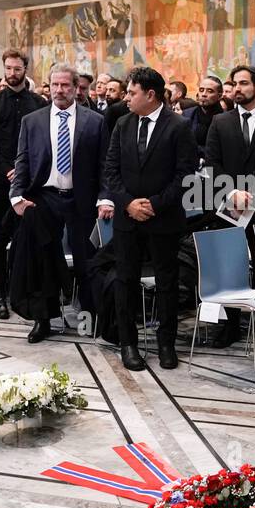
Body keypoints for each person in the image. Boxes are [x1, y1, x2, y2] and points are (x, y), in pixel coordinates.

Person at [103, 66, 197, 372]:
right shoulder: (123, 123)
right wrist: (129, 203)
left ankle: (166, 343)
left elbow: (184, 175)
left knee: (167, 282)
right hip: (127, 219)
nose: (127, 98)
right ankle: (128, 343)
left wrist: (153, 205)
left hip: (164, 218)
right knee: (125, 280)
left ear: (150, 94)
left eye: (132, 92)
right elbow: (111, 169)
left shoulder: (178, 126)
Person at [9, 64, 112, 343]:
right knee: (41, 259)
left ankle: (89, 319)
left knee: (87, 261)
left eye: (65, 85)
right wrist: (16, 196)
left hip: (82, 200)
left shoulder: (95, 121)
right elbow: (23, 160)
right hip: (44, 198)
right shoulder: (33, 121)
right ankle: (43, 321)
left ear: (77, 87)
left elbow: (104, 165)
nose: (59, 90)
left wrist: (105, 198)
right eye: (55, 85)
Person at [205, 64, 255, 348]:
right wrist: (232, 191)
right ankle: (231, 326)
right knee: (232, 266)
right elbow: (212, 164)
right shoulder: (220, 122)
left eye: (243, 83)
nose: (237, 89)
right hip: (231, 207)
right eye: (234, 84)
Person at [0, 49, 43, 319]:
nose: (12, 73)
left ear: (25, 69)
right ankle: (1, 297)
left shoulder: (38, 102)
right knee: (0, 237)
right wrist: (8, 170)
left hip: (29, 182)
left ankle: (24, 293)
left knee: (26, 236)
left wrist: (25, 174)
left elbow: (42, 143)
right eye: (8, 68)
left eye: (17, 68)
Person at [183, 74, 224, 156]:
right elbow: (183, 143)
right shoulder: (187, 115)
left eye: (210, 91)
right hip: (190, 164)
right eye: (201, 90)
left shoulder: (226, 119)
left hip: (213, 165)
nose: (204, 94)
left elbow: (223, 149)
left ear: (219, 96)